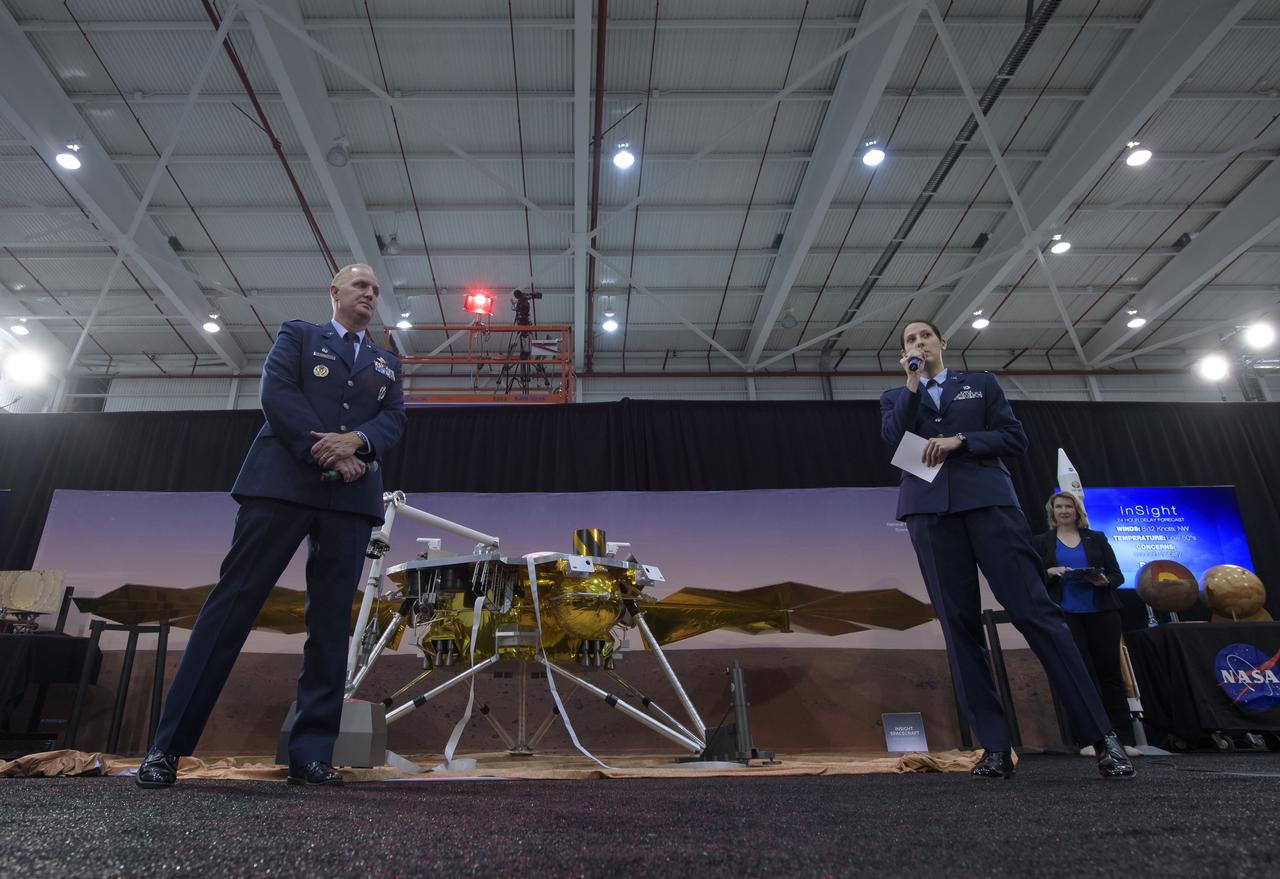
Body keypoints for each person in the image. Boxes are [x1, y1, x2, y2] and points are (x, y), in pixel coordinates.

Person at [136, 264, 406, 788]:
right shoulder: (299, 335)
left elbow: (392, 420)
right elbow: (278, 394)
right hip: (281, 485)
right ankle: (167, 750)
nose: (370, 295)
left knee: (330, 628)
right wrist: (324, 449)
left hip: (351, 497)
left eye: (376, 290)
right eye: (360, 286)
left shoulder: (388, 362)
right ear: (334, 292)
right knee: (231, 607)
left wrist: (356, 445)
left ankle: (310, 756)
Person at [880, 319, 1134, 779]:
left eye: (925, 337)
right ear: (905, 354)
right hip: (929, 515)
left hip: (990, 506)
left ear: (942, 343)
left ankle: (1104, 738)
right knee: (959, 627)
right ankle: (994, 747)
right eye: (910, 341)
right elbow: (894, 439)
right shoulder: (897, 397)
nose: (918, 343)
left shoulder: (980, 386)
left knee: (1036, 612)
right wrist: (912, 386)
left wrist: (963, 441)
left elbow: (1015, 438)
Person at [1032, 491, 1138, 757]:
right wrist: (1049, 573)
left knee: (1110, 675)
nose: (1064, 511)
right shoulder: (1042, 542)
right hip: (1066, 616)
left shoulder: (1096, 538)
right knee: (1081, 676)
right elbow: (1032, 578)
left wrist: (1104, 581)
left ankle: (1123, 739)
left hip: (1102, 613)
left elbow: (1117, 575)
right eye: (1059, 506)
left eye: (1069, 506)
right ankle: (1089, 740)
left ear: (1077, 510)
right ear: (1052, 511)